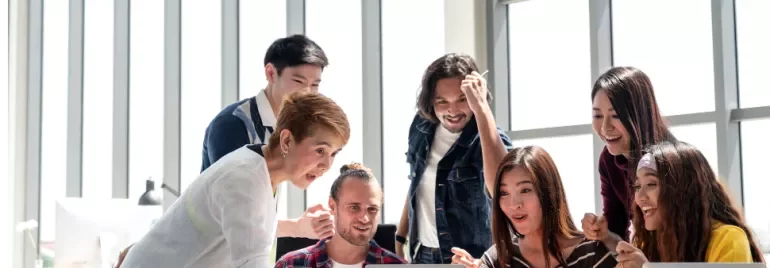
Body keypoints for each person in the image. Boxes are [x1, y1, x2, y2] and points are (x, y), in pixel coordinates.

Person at [120, 91, 350, 267]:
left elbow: (248, 230)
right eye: (320, 151)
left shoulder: (262, 170)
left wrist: (298, 227)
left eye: (333, 154)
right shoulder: (244, 178)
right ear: (287, 141)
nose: (327, 165)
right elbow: (252, 261)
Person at [200, 34, 336, 242]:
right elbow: (235, 216)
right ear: (271, 73)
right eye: (299, 81)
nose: (307, 93)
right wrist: (296, 227)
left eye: (315, 85)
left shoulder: (285, 127)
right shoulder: (234, 124)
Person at [395, 53, 513, 264]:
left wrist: (481, 108)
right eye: (442, 101)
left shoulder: (489, 138)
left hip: (470, 260)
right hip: (422, 255)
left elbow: (503, 189)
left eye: (462, 99)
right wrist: (400, 236)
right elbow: (417, 183)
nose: (453, 110)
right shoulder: (421, 127)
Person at [451, 146, 618, 268]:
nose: (514, 204)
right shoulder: (498, 258)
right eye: (504, 193)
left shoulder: (591, 252)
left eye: (525, 190)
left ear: (548, 192)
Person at [613, 141, 764, 267]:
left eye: (651, 184)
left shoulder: (729, 239)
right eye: (637, 186)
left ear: (683, 190)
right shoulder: (649, 243)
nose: (639, 197)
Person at [582, 66, 676, 244]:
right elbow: (616, 227)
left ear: (639, 114)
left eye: (615, 115)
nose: (605, 128)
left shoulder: (671, 161)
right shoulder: (609, 160)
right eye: (597, 115)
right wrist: (600, 231)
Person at [275, 163, 407, 267]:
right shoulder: (291, 265)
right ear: (333, 206)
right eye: (354, 207)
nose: (365, 218)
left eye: (372, 209)